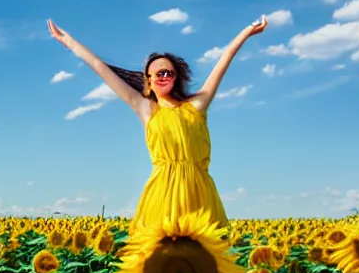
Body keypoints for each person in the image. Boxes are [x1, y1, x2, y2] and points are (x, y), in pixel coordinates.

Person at [46, 16, 268, 234]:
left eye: (168, 72)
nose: (164, 75)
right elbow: (99, 66)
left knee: (204, 260)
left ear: (176, 77)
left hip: (200, 193)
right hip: (162, 193)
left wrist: (247, 32)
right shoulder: (146, 109)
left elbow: (225, 58)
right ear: (148, 81)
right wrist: (69, 42)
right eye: (158, 72)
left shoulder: (196, 105)